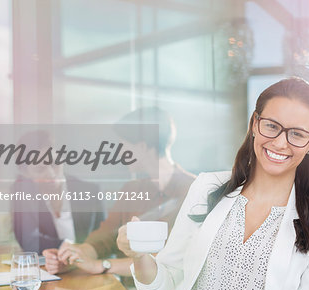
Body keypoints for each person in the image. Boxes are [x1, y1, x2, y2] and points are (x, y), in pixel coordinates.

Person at [117, 78, 309, 290]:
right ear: (255, 124)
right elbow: (164, 287)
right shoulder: (207, 187)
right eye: (271, 126)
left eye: (297, 134)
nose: (280, 143)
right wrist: (139, 256)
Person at [43, 107, 196, 277]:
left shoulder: (194, 190)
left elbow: (169, 260)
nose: (121, 153)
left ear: (142, 146)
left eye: (124, 145)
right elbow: (104, 239)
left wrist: (101, 265)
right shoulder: (132, 189)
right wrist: (73, 256)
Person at [12, 130, 105, 255]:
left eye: (55, 164)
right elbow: (28, 241)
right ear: (26, 173)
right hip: (49, 268)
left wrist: (79, 253)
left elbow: (103, 239)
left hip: (87, 266)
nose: (51, 174)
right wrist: (67, 249)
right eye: (40, 169)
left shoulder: (90, 191)